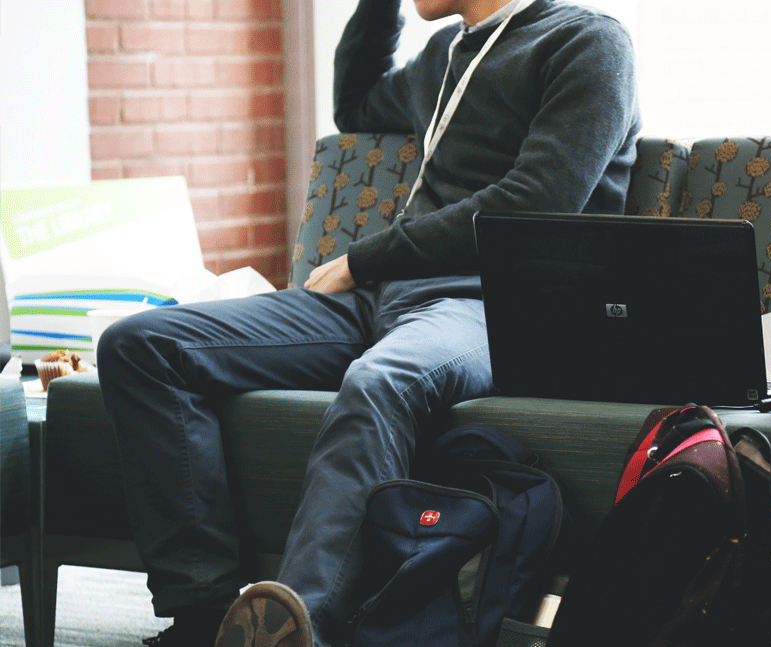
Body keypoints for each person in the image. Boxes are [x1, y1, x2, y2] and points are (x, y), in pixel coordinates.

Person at [94, 0, 641, 645]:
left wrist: (365, 257)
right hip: (388, 298)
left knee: (383, 380)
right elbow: (356, 105)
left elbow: (536, 203)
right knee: (143, 345)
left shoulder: (586, 43)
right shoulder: (449, 53)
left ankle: (300, 624)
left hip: (495, 307)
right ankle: (203, 618)